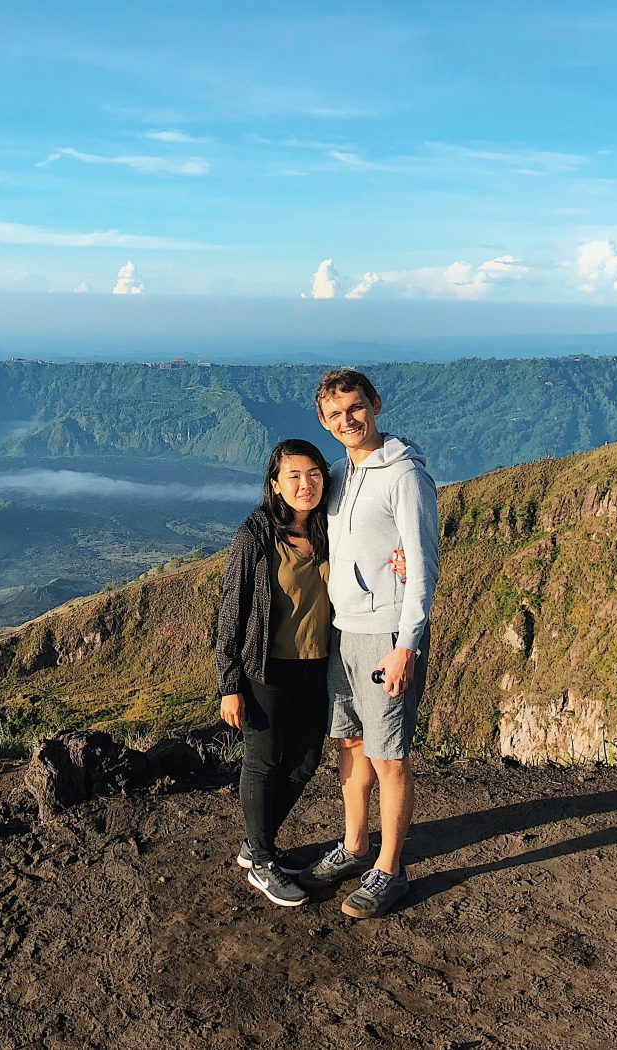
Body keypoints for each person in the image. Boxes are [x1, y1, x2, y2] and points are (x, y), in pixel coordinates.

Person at [215, 438, 404, 908]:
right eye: (293, 476)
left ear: (326, 478)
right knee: (263, 761)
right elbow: (229, 611)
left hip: (320, 664)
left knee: (301, 765)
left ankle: (256, 842)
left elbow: (375, 540)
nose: (305, 484)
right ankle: (261, 858)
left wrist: (399, 558)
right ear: (275, 485)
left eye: (314, 474)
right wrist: (229, 684)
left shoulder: (330, 526)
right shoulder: (255, 535)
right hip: (266, 668)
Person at [299, 368, 439, 920]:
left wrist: (406, 644)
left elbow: (424, 565)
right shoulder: (337, 474)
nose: (347, 420)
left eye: (354, 408)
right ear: (323, 422)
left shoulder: (404, 475)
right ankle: (355, 846)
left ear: (375, 404)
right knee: (351, 744)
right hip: (342, 631)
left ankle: (390, 868)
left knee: (389, 755)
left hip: (385, 636)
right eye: (334, 415)